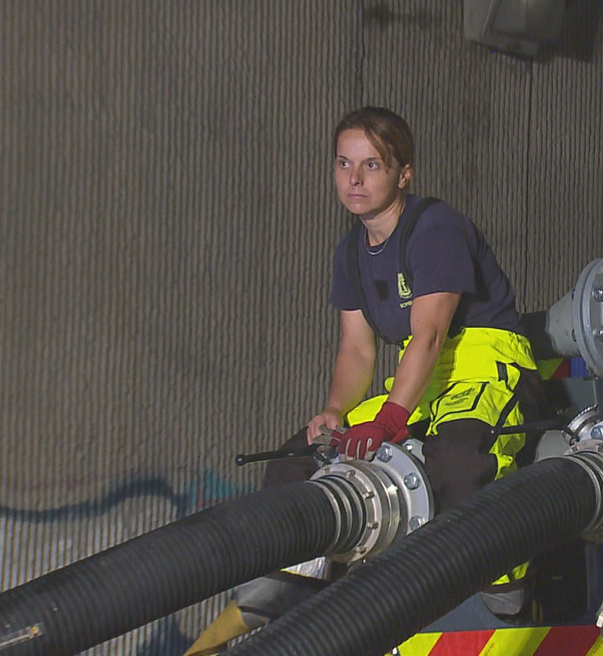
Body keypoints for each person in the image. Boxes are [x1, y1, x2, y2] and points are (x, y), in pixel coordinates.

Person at [186, 107, 541, 655]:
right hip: (416, 375)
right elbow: (356, 348)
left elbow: (428, 335)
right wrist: (333, 411)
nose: (354, 178)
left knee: (458, 460)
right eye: (344, 163)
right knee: (297, 459)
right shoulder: (351, 251)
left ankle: (508, 600)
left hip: (483, 358)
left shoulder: (435, 226)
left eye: (372, 164)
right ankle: (277, 593)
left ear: (404, 174)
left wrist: (389, 419)